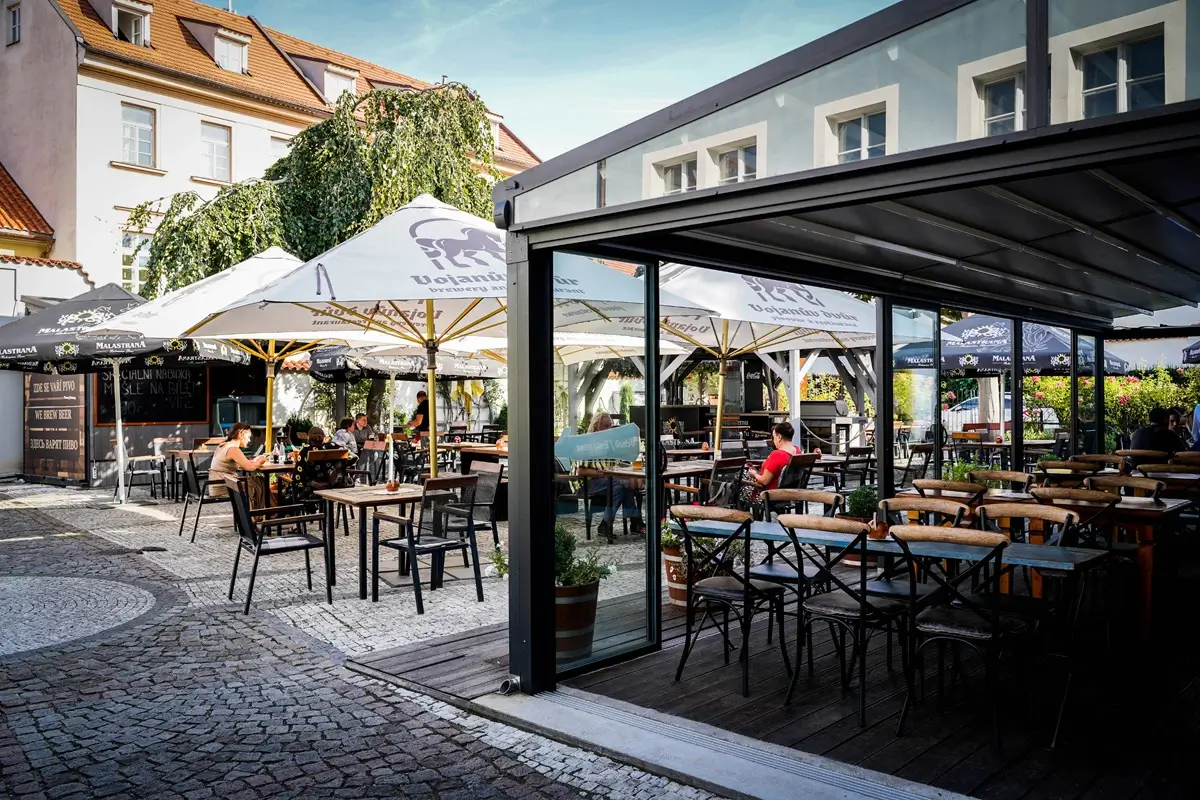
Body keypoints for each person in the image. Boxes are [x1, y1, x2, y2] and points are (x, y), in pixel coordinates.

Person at [587, 412, 645, 539]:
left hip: (609, 480)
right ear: (597, 426)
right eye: (605, 426)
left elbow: (619, 465)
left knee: (621, 487)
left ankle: (605, 525)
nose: (609, 429)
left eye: (610, 426)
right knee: (620, 482)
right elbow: (580, 471)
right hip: (591, 482)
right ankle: (636, 523)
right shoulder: (588, 443)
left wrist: (634, 475)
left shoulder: (611, 444)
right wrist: (603, 473)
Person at [293, 426, 356, 502]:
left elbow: (298, 476)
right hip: (335, 489)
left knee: (295, 486)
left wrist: (312, 483)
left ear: (309, 438)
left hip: (313, 490)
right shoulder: (332, 446)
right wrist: (337, 467)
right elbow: (353, 457)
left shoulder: (305, 451)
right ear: (323, 437)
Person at [206, 422, 268, 498]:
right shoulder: (233, 449)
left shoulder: (224, 444)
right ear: (240, 434)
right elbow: (250, 467)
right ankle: (263, 508)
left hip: (218, 484)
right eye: (248, 437)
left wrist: (255, 460)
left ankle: (262, 507)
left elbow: (243, 464)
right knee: (260, 483)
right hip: (223, 487)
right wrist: (262, 460)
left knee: (258, 481)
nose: (249, 440)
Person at [747, 421, 801, 494]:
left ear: (779, 437)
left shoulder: (777, 455)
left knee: (737, 484)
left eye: (773, 437)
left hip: (770, 495)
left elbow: (764, 481)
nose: (773, 440)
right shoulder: (797, 451)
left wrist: (754, 474)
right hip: (792, 494)